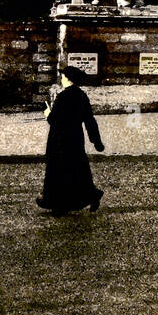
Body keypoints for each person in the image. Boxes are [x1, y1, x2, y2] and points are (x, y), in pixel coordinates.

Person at [37, 66, 104, 216]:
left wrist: (48, 113)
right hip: (75, 139)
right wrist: (96, 141)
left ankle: (59, 205)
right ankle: (92, 195)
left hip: (60, 140)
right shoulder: (81, 96)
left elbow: (55, 121)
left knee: (60, 171)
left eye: (63, 76)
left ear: (67, 78)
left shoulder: (63, 97)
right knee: (77, 169)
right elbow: (89, 120)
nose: (61, 79)